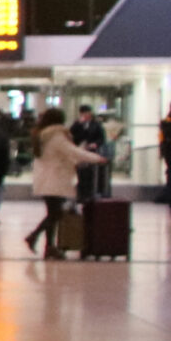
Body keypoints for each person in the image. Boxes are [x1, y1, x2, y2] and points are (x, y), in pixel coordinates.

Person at [25, 107, 106, 259]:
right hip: (55, 179)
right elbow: (73, 151)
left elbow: (63, 154)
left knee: (53, 214)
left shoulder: (43, 135)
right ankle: (34, 236)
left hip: (46, 179)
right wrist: (97, 158)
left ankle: (49, 247)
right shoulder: (56, 136)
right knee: (55, 214)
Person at [70, 105, 106, 202]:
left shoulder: (96, 124)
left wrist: (95, 144)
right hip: (79, 151)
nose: (86, 115)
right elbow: (71, 135)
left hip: (91, 151)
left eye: (87, 113)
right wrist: (78, 124)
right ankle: (80, 194)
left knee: (90, 174)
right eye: (83, 113)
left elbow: (101, 138)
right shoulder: (77, 124)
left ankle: (89, 195)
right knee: (79, 174)